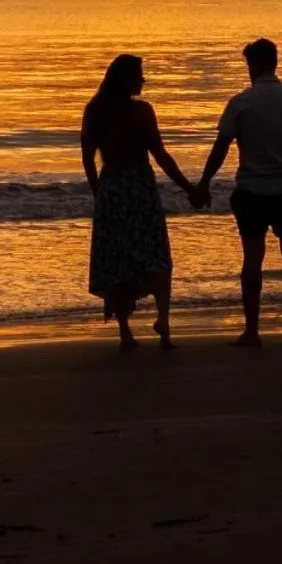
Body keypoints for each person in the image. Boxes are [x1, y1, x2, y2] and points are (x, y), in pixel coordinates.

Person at [197, 38, 282, 346]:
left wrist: (204, 182)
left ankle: (252, 331)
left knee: (252, 260)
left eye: (249, 65)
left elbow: (221, 147)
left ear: (256, 65)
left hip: (253, 189)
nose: (247, 70)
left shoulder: (241, 103)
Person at [81, 54, 201, 350]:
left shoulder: (95, 110)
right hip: (141, 188)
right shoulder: (143, 112)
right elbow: (160, 155)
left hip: (112, 189)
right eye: (139, 75)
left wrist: (99, 191)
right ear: (126, 80)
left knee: (119, 260)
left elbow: (87, 157)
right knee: (156, 253)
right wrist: (189, 188)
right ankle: (163, 321)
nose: (143, 80)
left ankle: (125, 332)